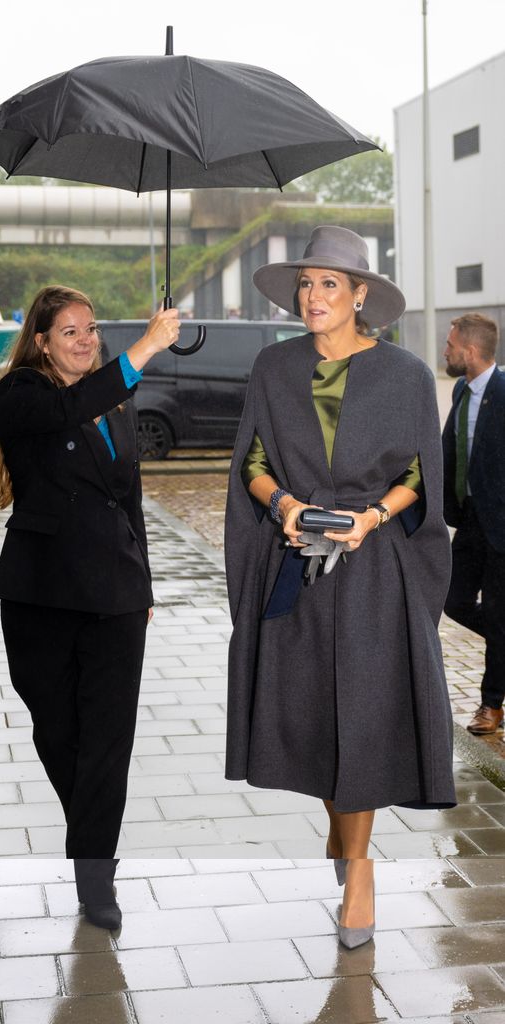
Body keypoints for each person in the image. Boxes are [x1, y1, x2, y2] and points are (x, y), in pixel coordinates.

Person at [224, 226, 456, 949]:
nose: (313, 296)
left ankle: (359, 872)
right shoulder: (273, 367)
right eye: (306, 283)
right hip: (295, 564)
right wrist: (285, 506)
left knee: (362, 713)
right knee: (316, 715)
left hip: (372, 571)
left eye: (330, 283)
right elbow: (252, 462)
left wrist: (369, 519)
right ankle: (343, 833)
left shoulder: (406, 375)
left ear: (362, 295)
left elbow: (421, 475)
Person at [0, 285, 180, 929]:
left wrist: (144, 583)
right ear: (41, 340)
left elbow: (130, 499)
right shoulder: (20, 393)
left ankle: (96, 877)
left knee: (108, 740)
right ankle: (91, 825)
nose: (85, 339)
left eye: (91, 329)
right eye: (69, 331)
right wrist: (147, 347)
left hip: (116, 597)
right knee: (58, 730)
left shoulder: (114, 401)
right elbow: (67, 410)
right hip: (41, 593)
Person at [442, 313, 505, 737]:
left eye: (449, 346)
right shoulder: (461, 390)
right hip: (469, 521)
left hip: (502, 526)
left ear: (469, 350)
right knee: (454, 600)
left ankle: (491, 706)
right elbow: (451, 447)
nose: (445, 352)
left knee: (499, 615)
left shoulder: (503, 391)